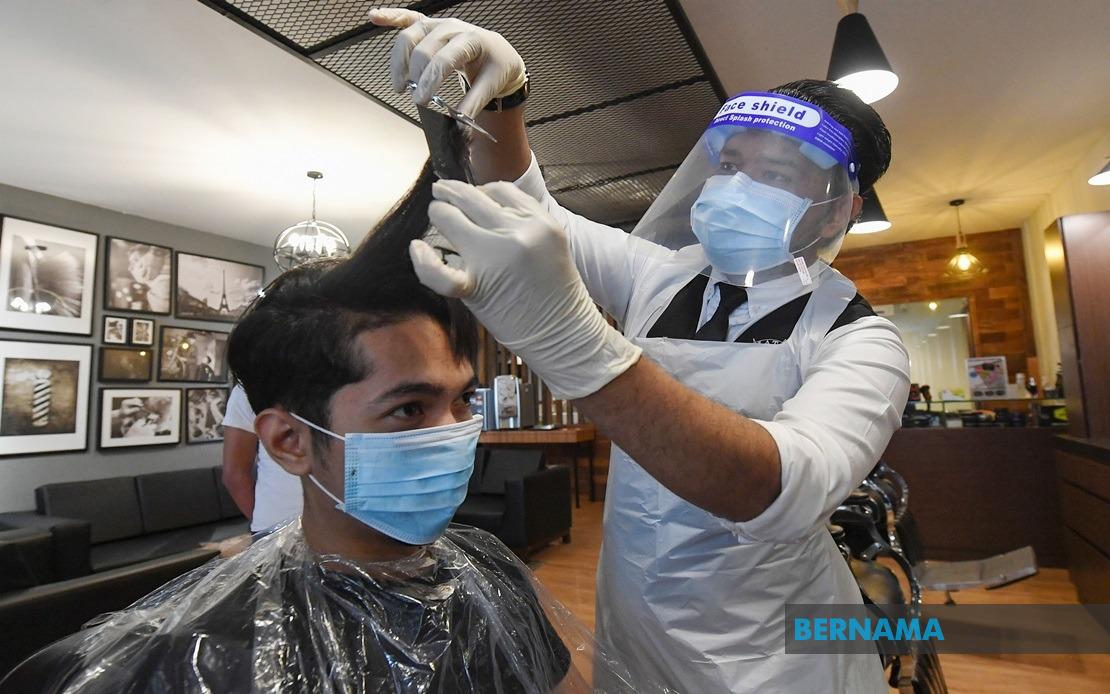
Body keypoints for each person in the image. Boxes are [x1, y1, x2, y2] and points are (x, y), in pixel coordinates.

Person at [370, 9, 911, 692]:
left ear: (837, 212)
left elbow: (781, 487)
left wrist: (578, 346)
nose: (736, 189)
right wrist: (502, 98)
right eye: (732, 164)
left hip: (771, 654)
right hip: (634, 619)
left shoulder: (860, 341)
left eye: (773, 175)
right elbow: (532, 211)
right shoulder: (664, 272)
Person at [1, 162, 665, 694]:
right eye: (410, 409)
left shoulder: (495, 577)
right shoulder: (201, 657)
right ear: (288, 441)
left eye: (462, 401)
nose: (454, 432)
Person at [221, 382, 303, 531]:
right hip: (277, 525)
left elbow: (234, 475)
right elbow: (234, 476)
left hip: (342, 527)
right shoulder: (250, 387)